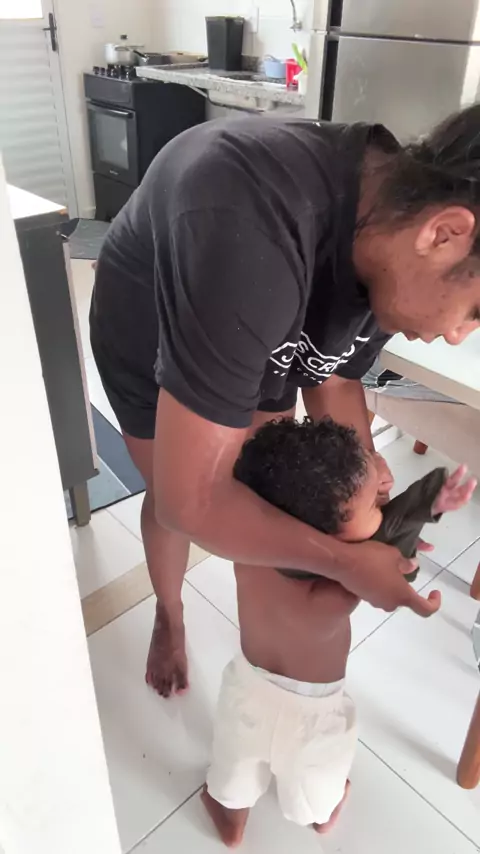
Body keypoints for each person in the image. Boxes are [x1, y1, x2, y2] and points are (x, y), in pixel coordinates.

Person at [90, 104, 480, 697]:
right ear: (444, 233)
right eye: (474, 311)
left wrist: (369, 499)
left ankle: (263, 667)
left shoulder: (390, 243)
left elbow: (333, 376)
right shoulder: (250, 221)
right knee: (175, 493)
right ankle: (169, 613)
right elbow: (190, 500)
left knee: (274, 499)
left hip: (250, 311)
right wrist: (344, 562)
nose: (458, 336)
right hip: (152, 330)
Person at [202, 417, 476, 846]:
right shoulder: (333, 594)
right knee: (317, 797)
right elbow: (386, 563)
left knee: (233, 769)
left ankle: (230, 812)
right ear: (325, 537)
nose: (382, 504)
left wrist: (409, 501)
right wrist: (424, 504)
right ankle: (325, 806)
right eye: (375, 507)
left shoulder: (249, 550)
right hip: (314, 716)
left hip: (246, 688)